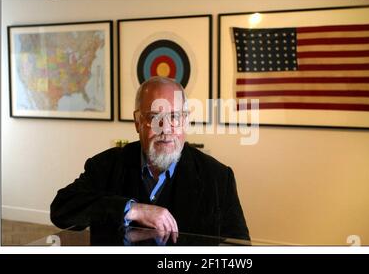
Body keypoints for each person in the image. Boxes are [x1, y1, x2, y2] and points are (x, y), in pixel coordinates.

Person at [50, 76, 250, 241]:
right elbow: (61, 211)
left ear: (186, 121)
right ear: (138, 122)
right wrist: (131, 210)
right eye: (154, 117)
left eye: (175, 117)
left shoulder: (217, 177)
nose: (165, 128)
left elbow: (238, 248)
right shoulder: (105, 166)